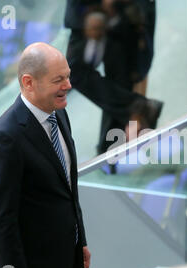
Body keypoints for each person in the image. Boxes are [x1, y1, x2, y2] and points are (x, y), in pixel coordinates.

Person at [0, 42, 91, 268]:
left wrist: (80, 240)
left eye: (68, 76)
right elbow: (0, 218)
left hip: (61, 264)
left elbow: (67, 189)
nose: (68, 85)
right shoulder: (4, 138)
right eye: (59, 80)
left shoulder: (58, 114)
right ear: (29, 82)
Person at [64, 0, 162, 155]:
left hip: (125, 11)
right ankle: (138, 107)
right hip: (87, 10)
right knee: (75, 71)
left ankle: (109, 149)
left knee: (120, 78)